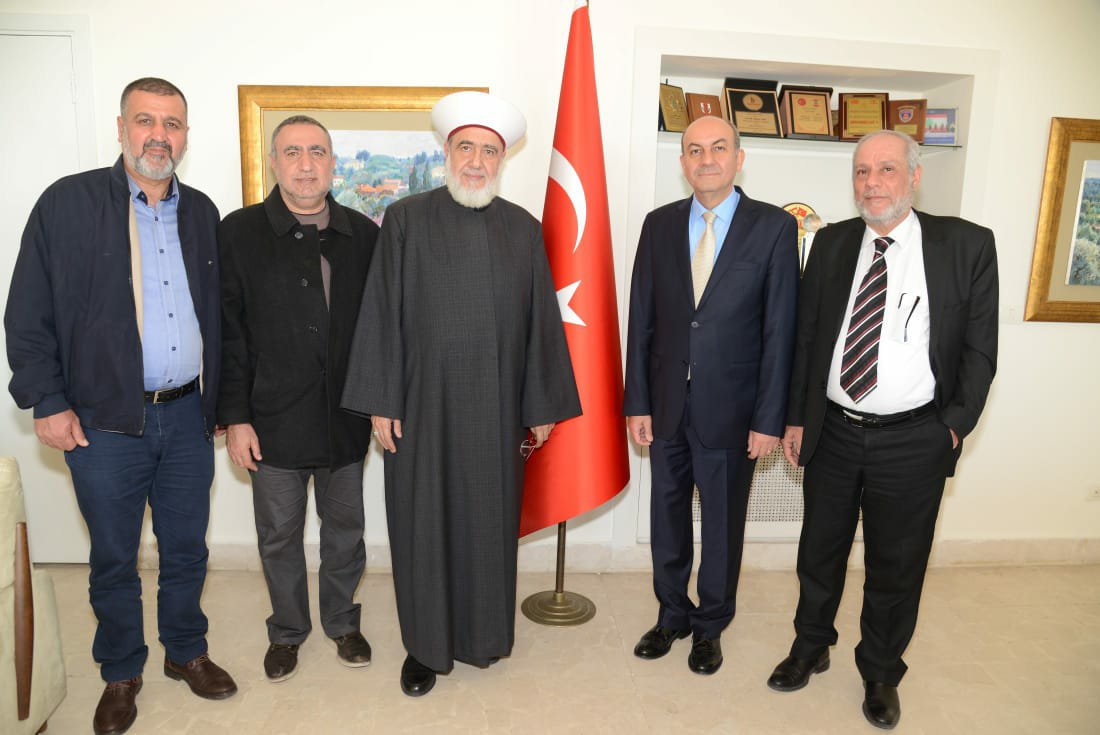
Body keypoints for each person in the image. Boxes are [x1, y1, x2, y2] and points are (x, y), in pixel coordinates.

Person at [5, 77, 236, 735]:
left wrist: (221, 397)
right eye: (145, 120)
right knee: (113, 557)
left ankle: (185, 651)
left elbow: (220, 316)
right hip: (103, 421)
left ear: (185, 137)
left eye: (172, 124)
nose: (159, 135)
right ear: (120, 128)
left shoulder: (202, 212)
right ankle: (121, 670)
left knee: (187, 548)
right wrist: (47, 400)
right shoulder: (67, 204)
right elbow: (27, 313)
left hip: (187, 416)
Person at [341, 90, 580, 697]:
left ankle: (483, 638)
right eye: (466, 148)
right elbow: (381, 312)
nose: (476, 161)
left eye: (489, 151)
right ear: (447, 152)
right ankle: (424, 648)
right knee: (422, 525)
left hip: (496, 413)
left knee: (487, 524)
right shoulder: (405, 219)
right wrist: (381, 400)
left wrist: (541, 406)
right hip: (421, 408)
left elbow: (540, 322)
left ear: (502, 160)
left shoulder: (523, 229)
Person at [766, 129, 998, 729]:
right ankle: (810, 646)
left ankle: (880, 671)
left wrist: (952, 428)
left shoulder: (966, 245)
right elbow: (807, 339)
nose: (872, 183)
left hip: (915, 438)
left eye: (886, 169)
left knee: (897, 564)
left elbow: (979, 350)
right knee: (819, 551)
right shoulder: (831, 242)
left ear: (914, 176)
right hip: (834, 432)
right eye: (862, 171)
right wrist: (796, 416)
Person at [624, 115, 799, 675]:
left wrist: (769, 418)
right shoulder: (658, 225)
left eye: (718, 148)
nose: (707, 159)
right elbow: (642, 319)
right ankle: (671, 614)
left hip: (734, 409)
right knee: (667, 517)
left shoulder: (774, 227)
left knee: (722, 526)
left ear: (739, 158)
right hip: (666, 405)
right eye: (695, 150)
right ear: (682, 163)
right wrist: (637, 402)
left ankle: (710, 625)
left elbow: (781, 331)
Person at [217, 116, 379, 683]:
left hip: (345, 419)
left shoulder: (364, 234)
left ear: (333, 163)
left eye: (317, 152)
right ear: (273, 162)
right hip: (271, 421)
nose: (305, 165)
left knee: (345, 533)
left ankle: (342, 622)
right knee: (279, 536)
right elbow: (228, 333)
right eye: (292, 153)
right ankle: (287, 631)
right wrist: (235, 418)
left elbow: (378, 330)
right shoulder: (238, 232)